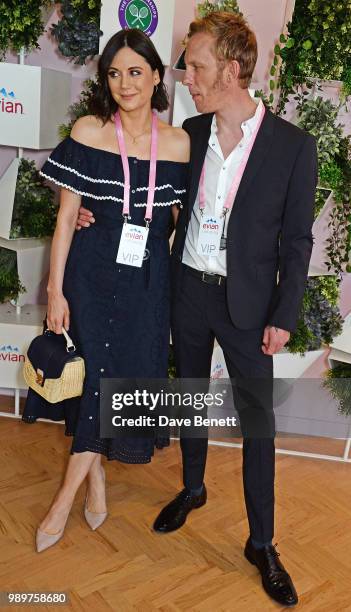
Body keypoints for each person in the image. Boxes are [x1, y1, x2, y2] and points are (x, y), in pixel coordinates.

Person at [77, 12, 317, 608]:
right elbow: (148, 199)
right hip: (187, 290)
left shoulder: (292, 146)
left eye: (197, 64)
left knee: (257, 422)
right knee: (187, 394)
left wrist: (283, 315)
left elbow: (298, 241)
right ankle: (192, 488)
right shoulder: (190, 131)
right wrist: (91, 217)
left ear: (232, 69)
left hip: (249, 305)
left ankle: (262, 543)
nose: (186, 75)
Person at [22, 28, 190, 553]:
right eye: (114, 73)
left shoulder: (182, 143)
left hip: (147, 284)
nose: (124, 83)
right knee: (94, 381)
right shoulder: (90, 131)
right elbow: (67, 217)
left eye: (135, 72)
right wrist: (54, 290)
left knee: (118, 383)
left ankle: (90, 479)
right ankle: (69, 497)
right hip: (90, 278)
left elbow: (184, 222)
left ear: (157, 75)